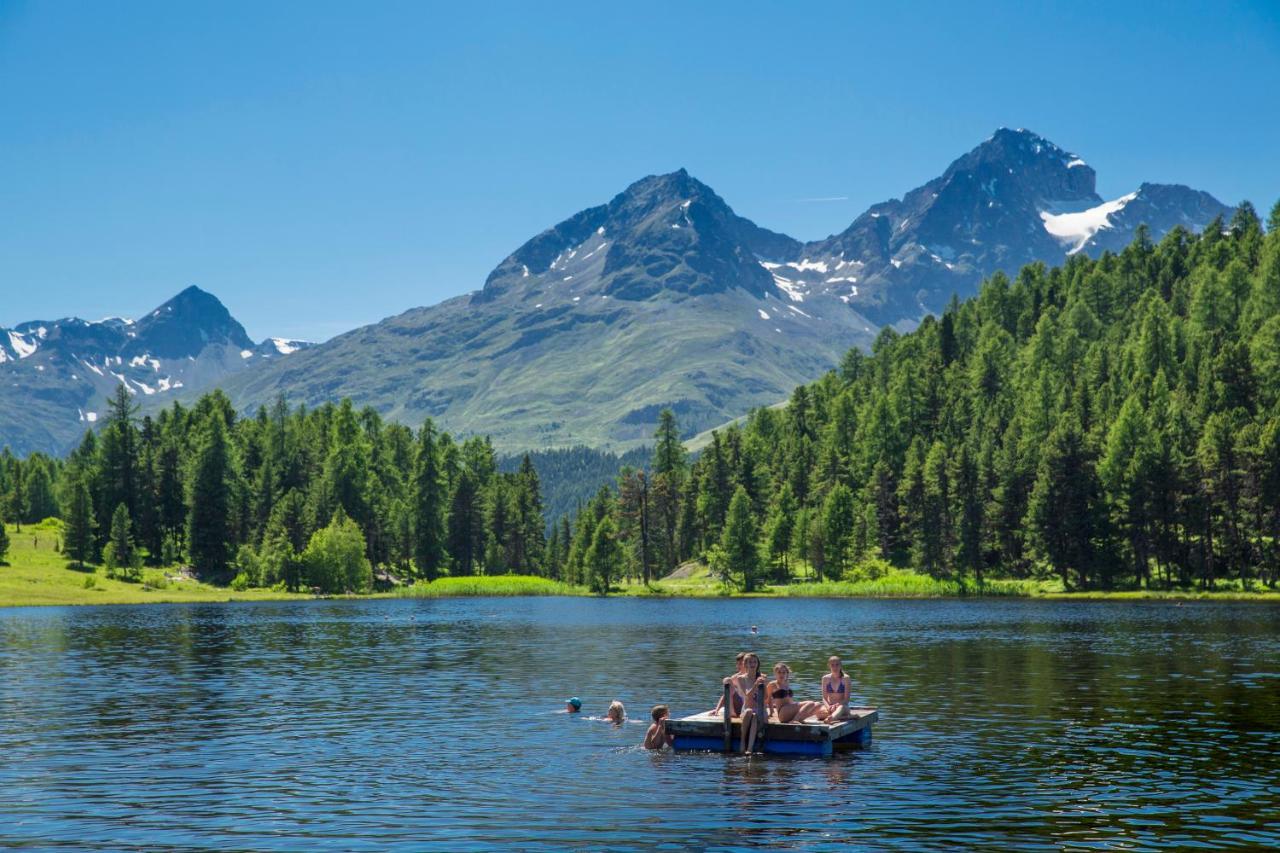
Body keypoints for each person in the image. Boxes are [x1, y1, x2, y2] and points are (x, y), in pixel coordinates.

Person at [730, 652, 767, 753]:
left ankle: (749, 748)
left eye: (755, 662)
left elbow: (766, 698)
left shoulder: (762, 677)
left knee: (755, 716)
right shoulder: (741, 678)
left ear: (757, 664)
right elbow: (747, 696)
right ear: (745, 664)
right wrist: (755, 685)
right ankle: (742, 741)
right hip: (747, 709)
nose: (753, 664)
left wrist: (763, 685)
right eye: (750, 662)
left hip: (760, 710)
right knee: (750, 711)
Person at [710, 652, 747, 716]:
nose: (738, 666)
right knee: (727, 680)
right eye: (737, 664)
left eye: (741, 664)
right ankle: (731, 712)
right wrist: (717, 709)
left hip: (749, 706)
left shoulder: (754, 676)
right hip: (738, 705)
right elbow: (726, 694)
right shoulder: (735, 677)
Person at [821, 655, 853, 720]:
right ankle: (849, 717)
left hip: (842, 706)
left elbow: (846, 699)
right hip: (830, 707)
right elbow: (824, 698)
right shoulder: (825, 678)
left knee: (840, 708)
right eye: (832, 665)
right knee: (818, 713)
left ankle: (831, 718)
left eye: (837, 665)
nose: (835, 667)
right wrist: (828, 707)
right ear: (829, 665)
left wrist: (836, 706)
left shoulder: (846, 678)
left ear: (840, 665)